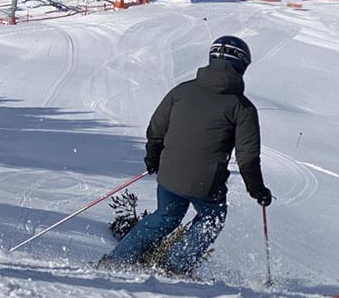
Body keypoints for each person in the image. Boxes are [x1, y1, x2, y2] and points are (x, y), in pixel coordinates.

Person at [101, 36, 271, 276]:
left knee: (165, 217)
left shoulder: (182, 90)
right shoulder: (242, 107)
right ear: (241, 65)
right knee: (212, 217)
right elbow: (248, 159)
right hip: (206, 184)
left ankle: (117, 260)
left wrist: (153, 157)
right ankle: (173, 268)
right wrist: (258, 190)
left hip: (169, 175)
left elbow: (156, 129)